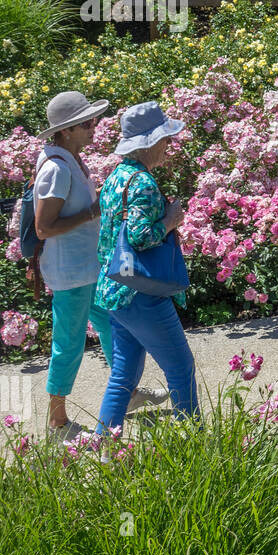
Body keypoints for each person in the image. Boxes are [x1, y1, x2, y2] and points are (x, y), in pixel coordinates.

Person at [35, 92, 169, 439]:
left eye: (94, 121)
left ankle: (127, 394)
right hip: (70, 273)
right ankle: (57, 420)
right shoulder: (56, 168)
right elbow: (44, 227)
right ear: (65, 131)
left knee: (113, 328)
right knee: (69, 343)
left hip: (90, 265)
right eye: (86, 124)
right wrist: (93, 213)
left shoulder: (72, 161)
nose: (95, 128)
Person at [95, 101, 198, 432]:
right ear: (149, 142)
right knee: (181, 368)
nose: (169, 145)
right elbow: (141, 237)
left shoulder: (116, 178)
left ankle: (102, 446)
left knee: (123, 374)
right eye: (166, 139)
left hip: (116, 289)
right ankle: (192, 445)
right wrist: (170, 221)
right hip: (143, 293)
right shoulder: (142, 183)